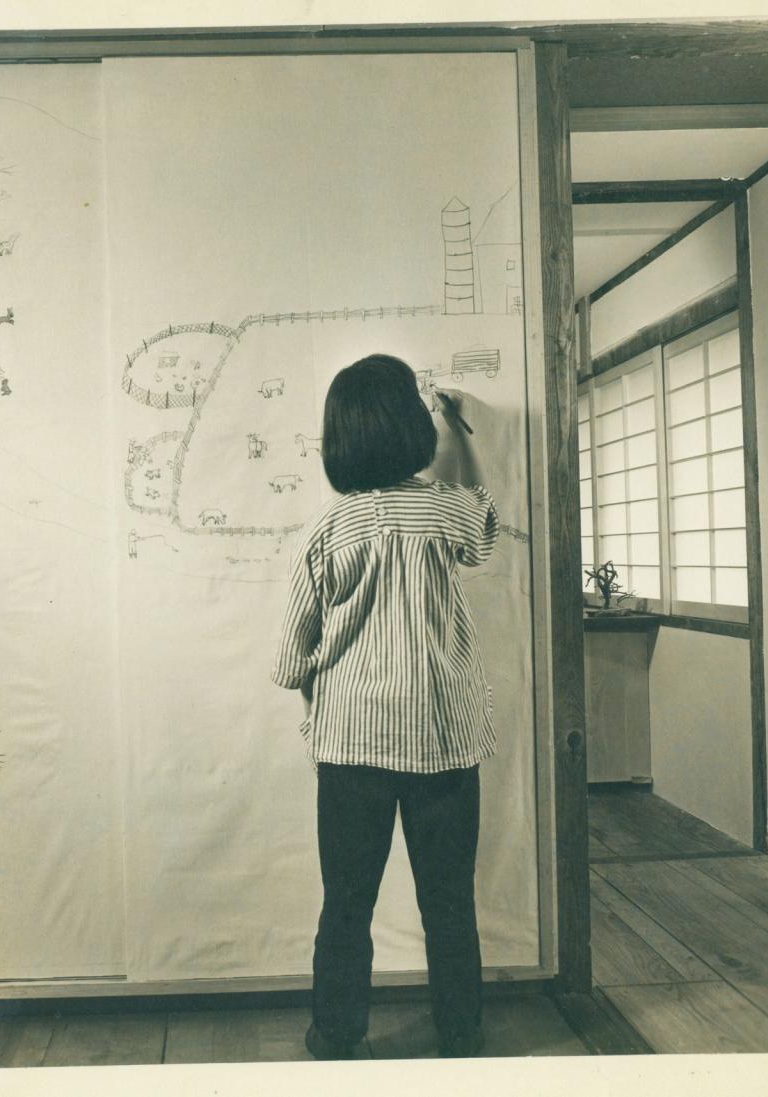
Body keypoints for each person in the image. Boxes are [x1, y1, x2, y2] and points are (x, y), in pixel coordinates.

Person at [271, 353, 498, 1060]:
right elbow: (484, 524)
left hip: (351, 752)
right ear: (411, 426)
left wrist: (323, 688)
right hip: (445, 744)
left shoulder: (327, 531)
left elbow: (289, 659)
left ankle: (336, 1038)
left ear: (337, 438)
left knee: (346, 904)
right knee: (451, 904)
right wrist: (457, 430)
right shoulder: (444, 510)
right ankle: (461, 1039)